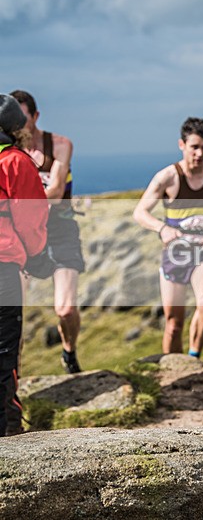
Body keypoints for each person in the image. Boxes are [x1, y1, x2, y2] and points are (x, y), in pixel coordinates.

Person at [133, 118, 203, 358]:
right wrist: (162, 229)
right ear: (182, 145)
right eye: (194, 147)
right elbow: (139, 212)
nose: (200, 153)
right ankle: (173, 371)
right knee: (173, 322)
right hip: (176, 254)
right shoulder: (167, 177)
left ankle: (194, 358)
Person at [11, 90, 84, 374]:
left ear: (36, 116)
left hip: (59, 229)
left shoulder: (59, 144)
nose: (17, 125)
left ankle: (69, 352)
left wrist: (20, 197)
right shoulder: (9, 152)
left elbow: (54, 192)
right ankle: (12, 379)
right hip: (21, 236)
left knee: (65, 309)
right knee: (12, 312)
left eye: (22, 118)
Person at [0, 94, 49, 436]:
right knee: (3, 352)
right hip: (3, 266)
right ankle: (7, 431)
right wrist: (36, 255)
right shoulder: (16, 162)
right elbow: (31, 221)